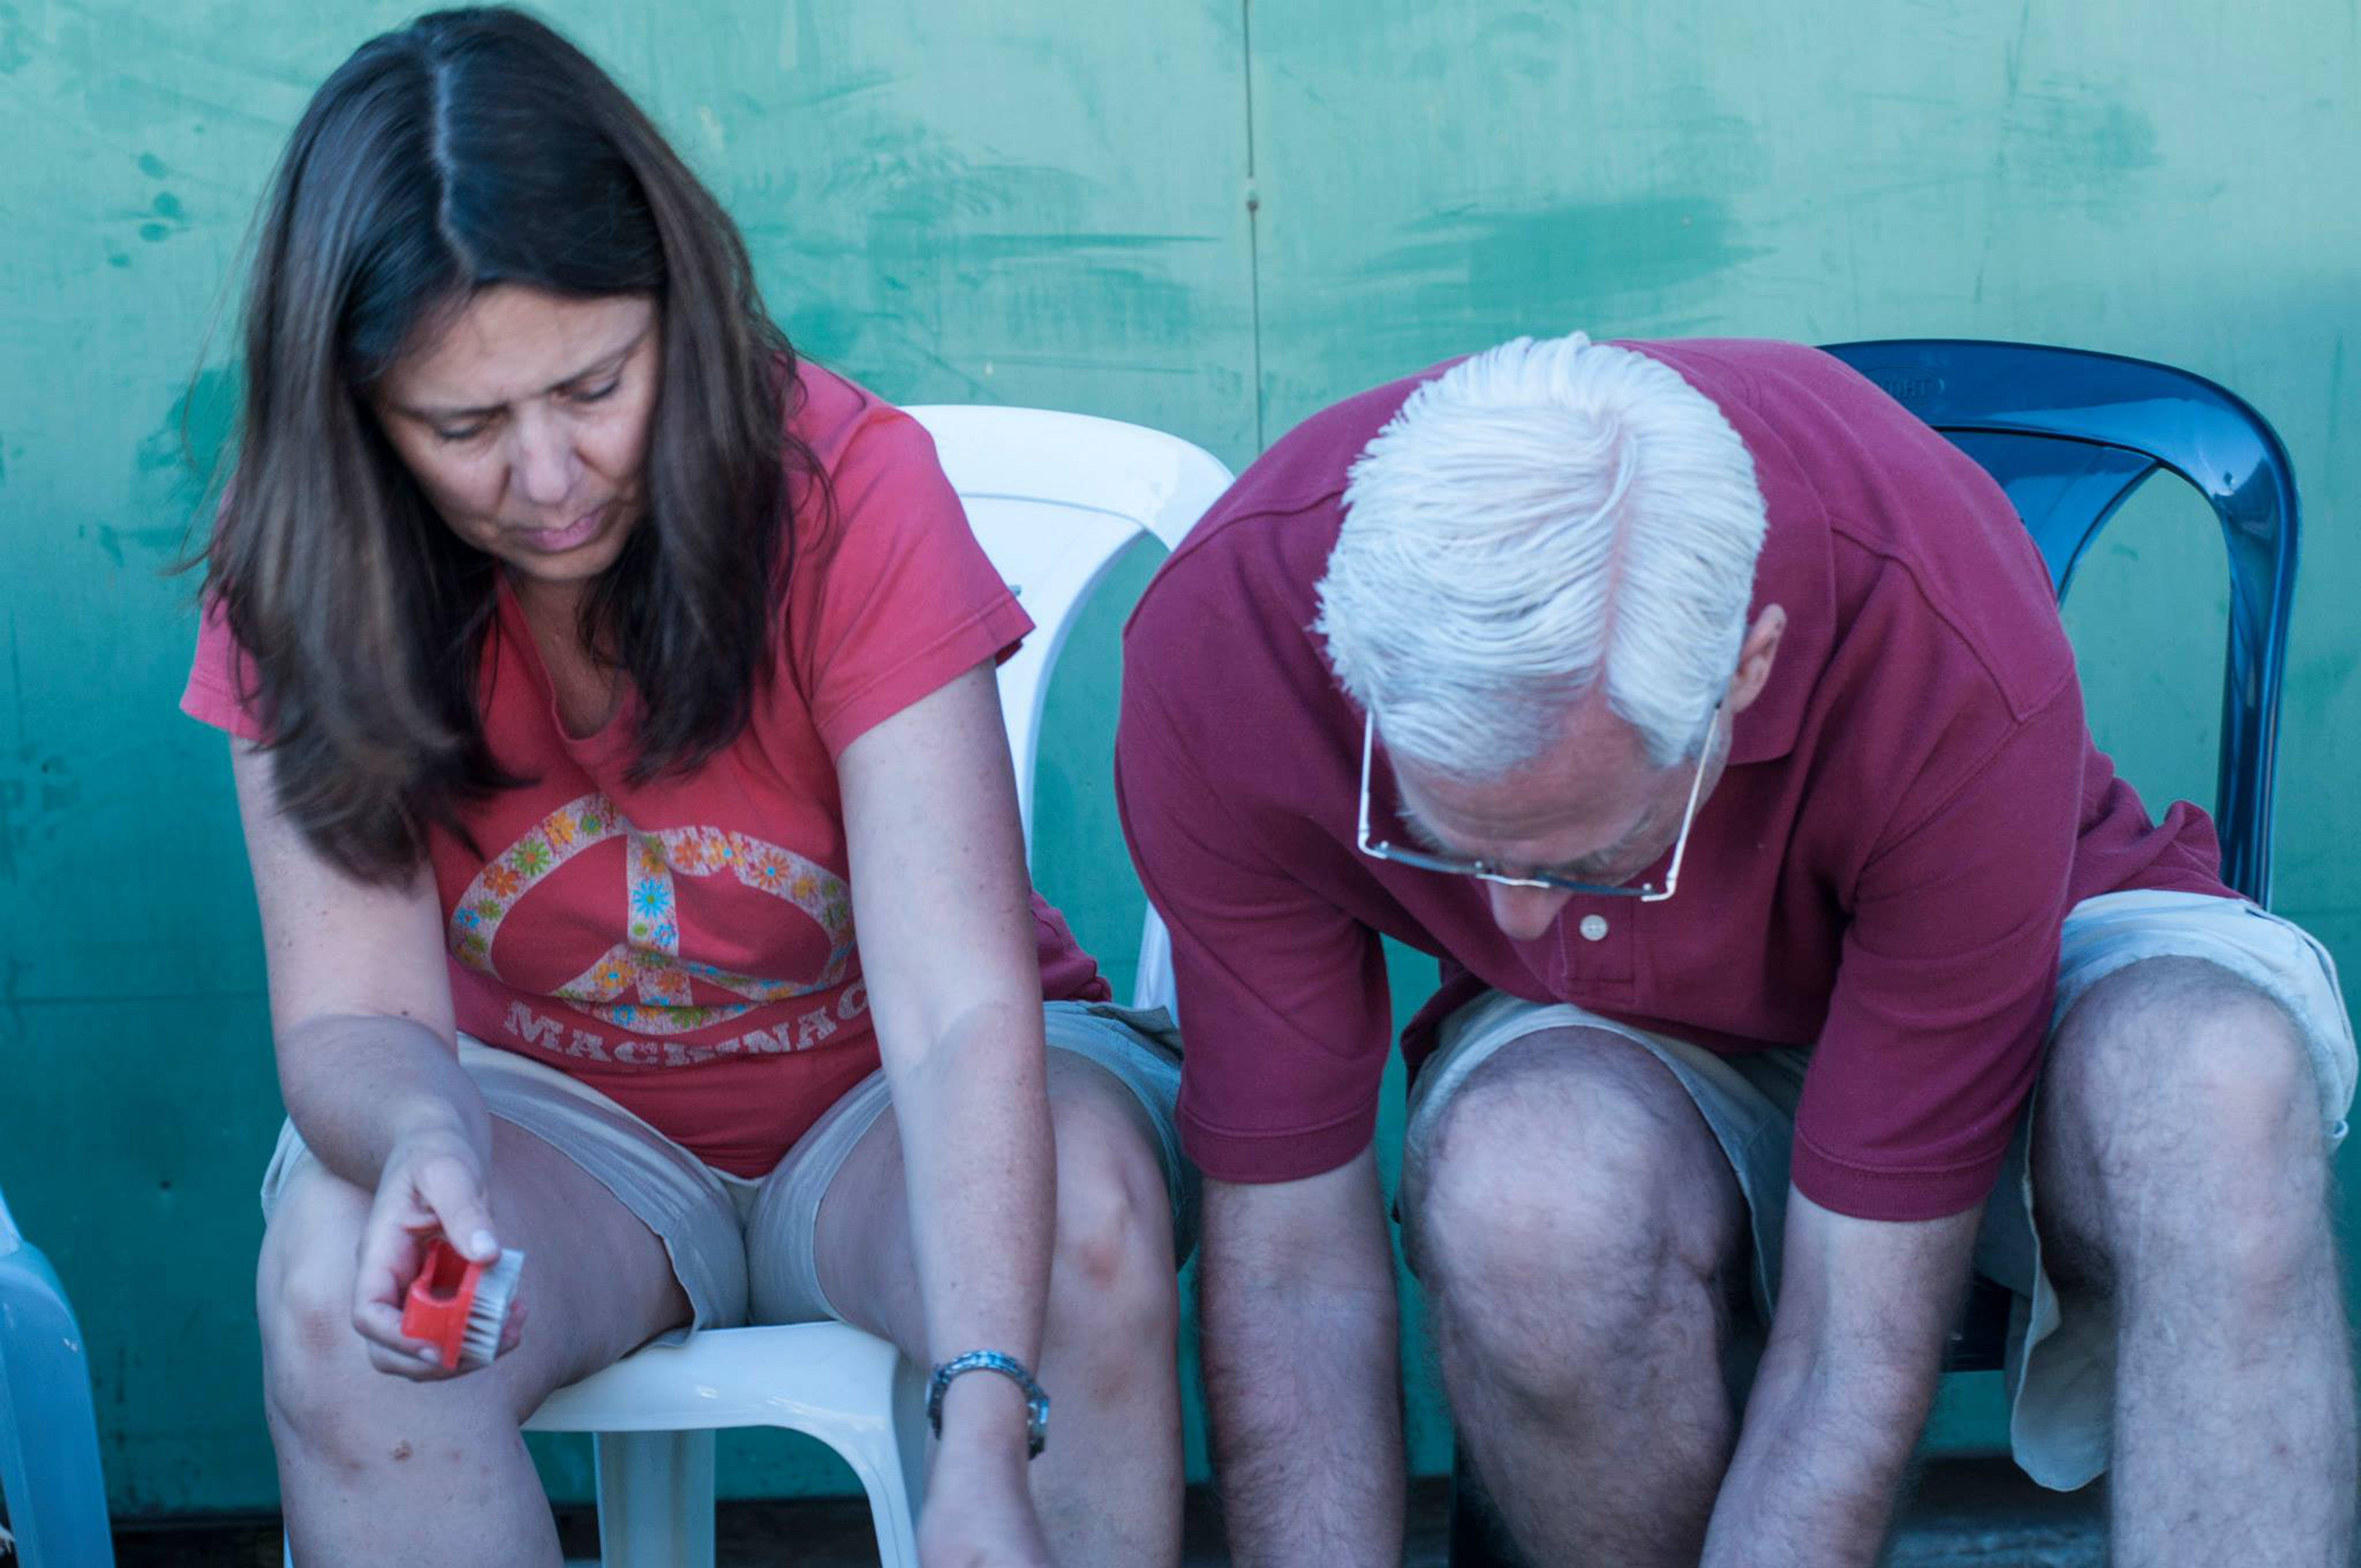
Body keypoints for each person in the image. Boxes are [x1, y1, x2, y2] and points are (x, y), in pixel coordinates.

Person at [181, 11, 1193, 1565]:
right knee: (341, 1287)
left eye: (595, 386)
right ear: (361, 421)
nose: (546, 477)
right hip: (544, 1127)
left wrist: (986, 1418)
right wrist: (427, 1147)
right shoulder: (302, 556)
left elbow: (954, 1004)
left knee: (1085, 1231)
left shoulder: (849, 487)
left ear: (680, 311)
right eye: (462, 426)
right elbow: (351, 1017)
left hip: (891, 1105)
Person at [1116, 331, 2356, 1566]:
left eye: (1582, 858)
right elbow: (1287, 1268)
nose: (1516, 928)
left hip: (2024, 947)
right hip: (1642, 1038)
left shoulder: (1929, 610)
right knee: (1530, 1193)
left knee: (2210, 1090)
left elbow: (1856, 1332)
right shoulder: (1233, 639)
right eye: (1459, 847)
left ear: (1745, 671)